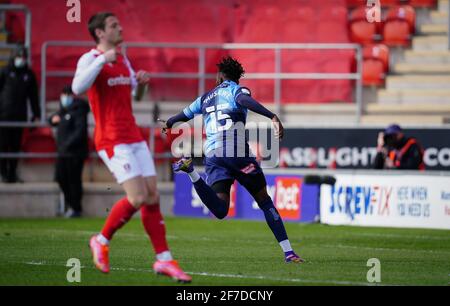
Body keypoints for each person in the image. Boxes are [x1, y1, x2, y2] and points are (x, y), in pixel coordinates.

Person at [71, 12, 191, 282]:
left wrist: (141, 85)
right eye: (114, 25)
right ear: (100, 33)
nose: (120, 28)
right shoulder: (91, 58)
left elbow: (135, 94)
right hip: (112, 139)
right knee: (137, 197)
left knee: (152, 197)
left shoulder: (123, 58)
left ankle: (164, 260)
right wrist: (103, 59)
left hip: (134, 136)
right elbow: (77, 86)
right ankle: (101, 240)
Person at [162, 56, 304, 264]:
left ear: (221, 75)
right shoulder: (237, 90)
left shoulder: (205, 97)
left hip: (214, 157)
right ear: (237, 77)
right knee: (264, 201)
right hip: (237, 153)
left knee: (220, 210)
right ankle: (289, 252)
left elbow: (182, 116)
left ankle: (191, 171)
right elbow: (243, 100)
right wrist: (271, 116)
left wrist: (169, 123)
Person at [49, 85, 90, 218]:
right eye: (64, 94)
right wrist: (52, 120)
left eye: (68, 95)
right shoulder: (63, 111)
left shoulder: (79, 110)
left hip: (75, 152)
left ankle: (76, 208)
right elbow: (51, 119)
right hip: (63, 152)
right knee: (61, 178)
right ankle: (70, 204)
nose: (65, 98)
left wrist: (66, 145)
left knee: (74, 180)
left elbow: (79, 132)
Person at [0, 46, 40, 183]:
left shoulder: (29, 75)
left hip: (19, 117)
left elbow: (33, 97)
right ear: (13, 56)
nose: (21, 60)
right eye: (19, 57)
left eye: (23, 57)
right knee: (3, 146)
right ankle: (3, 173)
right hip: (3, 117)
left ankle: (12, 173)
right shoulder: (4, 72)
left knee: (15, 147)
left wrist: (36, 114)